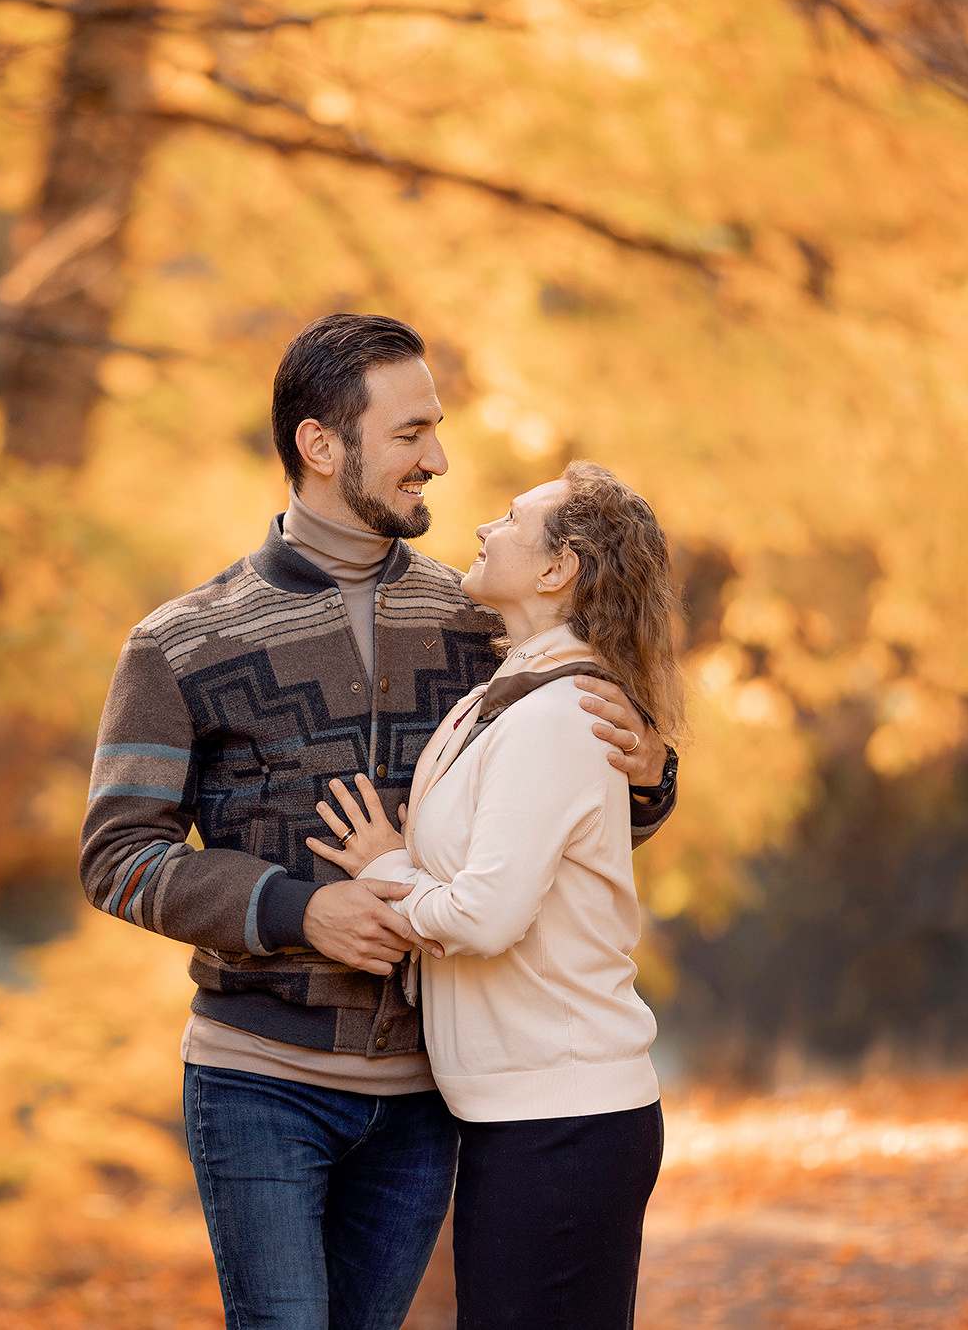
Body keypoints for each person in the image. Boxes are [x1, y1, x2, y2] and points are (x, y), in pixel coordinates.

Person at [80, 314, 682, 1330]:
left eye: (432, 432)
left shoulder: (482, 624)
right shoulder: (180, 641)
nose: (435, 461)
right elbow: (115, 856)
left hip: (423, 1093)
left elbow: (571, 817)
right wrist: (292, 910)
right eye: (408, 435)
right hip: (256, 1076)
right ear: (322, 445)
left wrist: (652, 767)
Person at [308, 462, 683, 1330]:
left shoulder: (562, 714)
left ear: (559, 570)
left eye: (513, 519)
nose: (483, 527)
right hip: (520, 1115)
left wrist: (388, 872)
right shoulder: (498, 696)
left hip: (565, 1118)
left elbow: (486, 913)